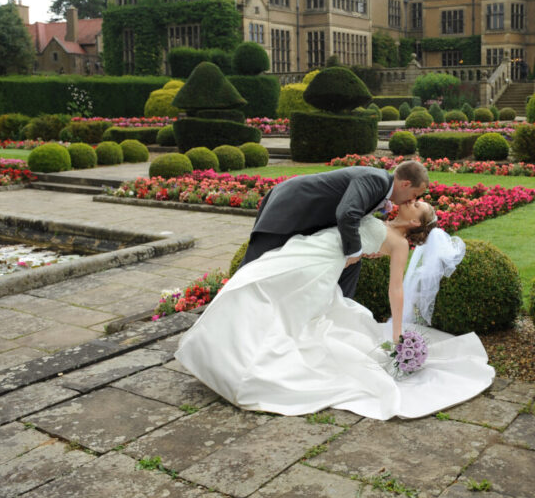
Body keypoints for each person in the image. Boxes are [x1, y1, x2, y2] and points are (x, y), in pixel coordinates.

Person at [175, 198, 495, 420]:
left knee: (278, 307)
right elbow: (354, 237)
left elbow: (395, 290)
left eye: (417, 205)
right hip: (312, 251)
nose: (413, 200)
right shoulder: (384, 216)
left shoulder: (398, 243)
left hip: (318, 267)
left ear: (414, 222)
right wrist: (354, 251)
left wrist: (397, 333)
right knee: (256, 282)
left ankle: (243, 369)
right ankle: (224, 348)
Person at [239, 161, 429, 298]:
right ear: (405, 184)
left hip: (306, 216)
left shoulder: (381, 186)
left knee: (352, 265)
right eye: (414, 195)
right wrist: (355, 250)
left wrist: (364, 248)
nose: (412, 200)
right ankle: (224, 312)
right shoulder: (376, 180)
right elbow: (347, 213)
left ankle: (336, 313)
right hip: (290, 208)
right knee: (252, 269)